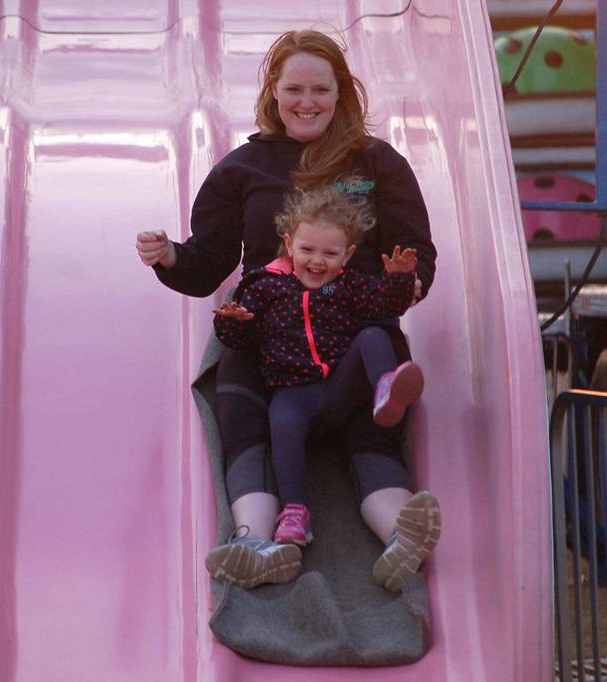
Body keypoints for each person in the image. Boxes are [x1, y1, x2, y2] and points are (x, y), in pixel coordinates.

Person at [135, 29, 440, 592]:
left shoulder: (376, 163)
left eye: (320, 89)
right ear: (274, 92)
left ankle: (401, 537)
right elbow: (208, 264)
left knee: (371, 429)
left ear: (340, 91)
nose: (307, 102)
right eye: (294, 88)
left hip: (356, 332)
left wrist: (406, 284)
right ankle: (255, 540)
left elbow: (417, 253)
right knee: (244, 411)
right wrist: (171, 255)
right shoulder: (243, 169)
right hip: (268, 336)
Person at [212, 187, 425, 553]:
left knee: (375, 335)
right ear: (289, 243)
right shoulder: (266, 286)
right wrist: (234, 321)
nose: (317, 261)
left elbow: (383, 306)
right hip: (295, 392)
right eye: (308, 250)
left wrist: (400, 280)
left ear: (348, 254)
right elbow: (241, 339)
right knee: (283, 425)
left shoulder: (349, 285)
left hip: (341, 388)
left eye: (330, 253)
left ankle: (386, 388)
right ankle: (295, 511)